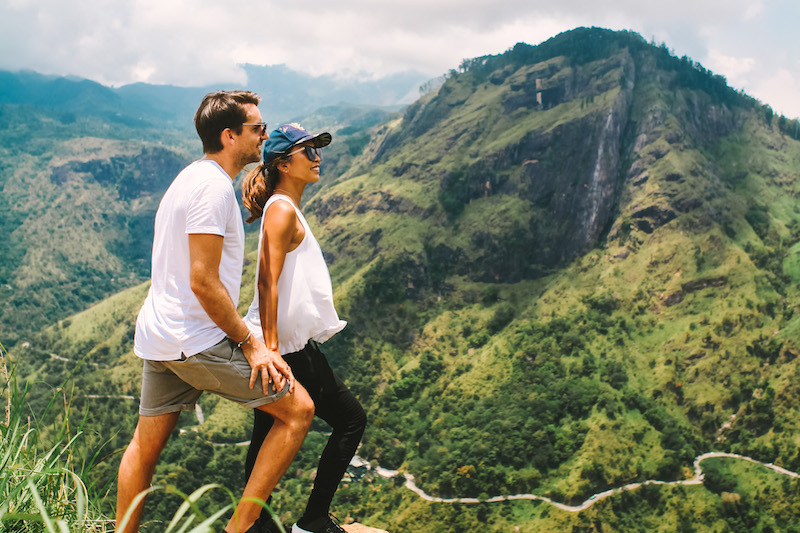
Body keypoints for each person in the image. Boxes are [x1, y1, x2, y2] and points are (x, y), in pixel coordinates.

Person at [116, 92, 315, 533]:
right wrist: (252, 344)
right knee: (299, 410)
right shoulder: (212, 190)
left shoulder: (189, 178)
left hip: (160, 335)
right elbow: (203, 281)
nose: (264, 135)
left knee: (144, 448)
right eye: (257, 129)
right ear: (230, 136)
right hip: (194, 339)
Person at [240, 124, 367, 533]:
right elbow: (266, 280)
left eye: (317, 149)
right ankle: (308, 522)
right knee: (348, 421)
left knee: (269, 436)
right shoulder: (280, 210)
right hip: (284, 349)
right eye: (306, 150)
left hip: (293, 347)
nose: (317, 157)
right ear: (282, 163)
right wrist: (273, 349)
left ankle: (270, 525)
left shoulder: (285, 208)